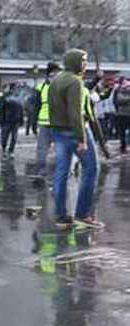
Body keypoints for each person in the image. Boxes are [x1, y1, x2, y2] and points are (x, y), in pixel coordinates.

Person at [48, 49, 102, 229]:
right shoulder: (75, 82)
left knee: (61, 173)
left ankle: (61, 217)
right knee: (91, 168)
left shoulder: (55, 80)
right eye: (83, 61)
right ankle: (82, 214)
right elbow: (75, 113)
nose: (85, 64)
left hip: (57, 131)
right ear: (74, 62)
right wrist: (82, 138)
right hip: (75, 132)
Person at [34, 62, 61, 181]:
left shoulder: (41, 87)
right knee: (61, 148)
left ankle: (41, 172)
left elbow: (34, 105)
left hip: (44, 121)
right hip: (59, 122)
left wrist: (33, 122)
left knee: (42, 149)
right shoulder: (62, 85)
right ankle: (62, 171)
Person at [0, 83, 24, 157]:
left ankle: (10, 150)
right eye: (15, 88)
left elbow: (21, 109)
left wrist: (21, 119)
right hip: (7, 120)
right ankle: (5, 149)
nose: (16, 90)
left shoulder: (18, 97)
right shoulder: (5, 96)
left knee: (13, 137)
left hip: (14, 120)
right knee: (6, 136)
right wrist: (1, 120)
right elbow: (1, 108)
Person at [113, 76, 130, 154]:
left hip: (123, 113)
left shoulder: (118, 90)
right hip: (122, 114)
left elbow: (116, 101)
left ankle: (124, 146)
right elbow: (116, 101)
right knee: (122, 132)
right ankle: (123, 146)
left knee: (122, 132)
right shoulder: (117, 90)